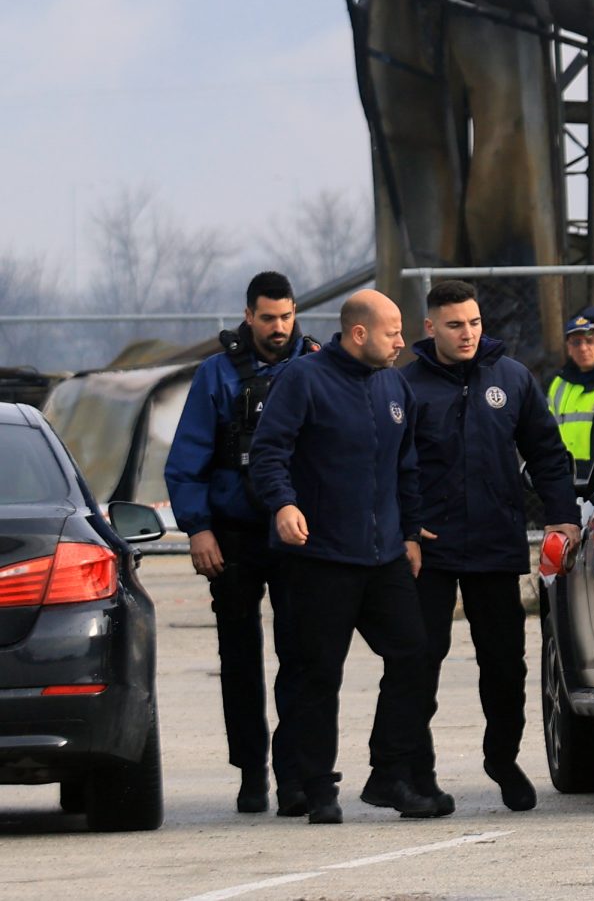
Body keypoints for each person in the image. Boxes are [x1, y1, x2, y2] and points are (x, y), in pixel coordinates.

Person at [385, 281, 580, 814]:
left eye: (473, 322)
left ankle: (503, 759)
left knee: (504, 665)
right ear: (430, 328)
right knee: (419, 663)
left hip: (496, 545)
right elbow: (386, 464)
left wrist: (564, 517)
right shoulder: (405, 385)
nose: (467, 333)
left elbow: (546, 452)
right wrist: (406, 526)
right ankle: (418, 776)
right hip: (431, 551)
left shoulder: (512, 378)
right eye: (454, 324)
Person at [247, 288, 433, 825]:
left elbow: (406, 466)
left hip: (384, 558)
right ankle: (316, 788)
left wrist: (411, 534)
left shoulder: (394, 384)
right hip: (321, 557)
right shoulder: (303, 380)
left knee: (414, 656)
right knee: (317, 675)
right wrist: (283, 504)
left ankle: (390, 775)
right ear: (359, 334)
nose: (402, 341)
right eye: (392, 332)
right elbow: (268, 452)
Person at [163, 270, 321, 815]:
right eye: (268, 318)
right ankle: (251, 771)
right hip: (232, 533)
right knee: (239, 658)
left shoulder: (320, 367)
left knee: (301, 656)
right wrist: (198, 528)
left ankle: (295, 772)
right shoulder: (216, 375)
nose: (279, 328)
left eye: (287, 316)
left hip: (298, 533)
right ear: (249, 316)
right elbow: (186, 460)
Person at [546, 310, 594, 483]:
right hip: (565, 473)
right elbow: (546, 427)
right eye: (576, 342)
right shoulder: (559, 383)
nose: (583, 348)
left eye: (589, 340)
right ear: (568, 348)